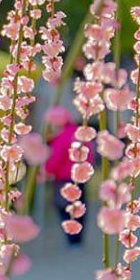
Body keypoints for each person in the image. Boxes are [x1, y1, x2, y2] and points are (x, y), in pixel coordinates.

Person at [38, 105, 83, 246]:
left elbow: (55, 159)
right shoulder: (78, 133)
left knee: (64, 207)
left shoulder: (61, 137)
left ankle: (72, 238)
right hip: (80, 176)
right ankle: (77, 238)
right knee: (79, 207)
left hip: (63, 178)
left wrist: (45, 171)